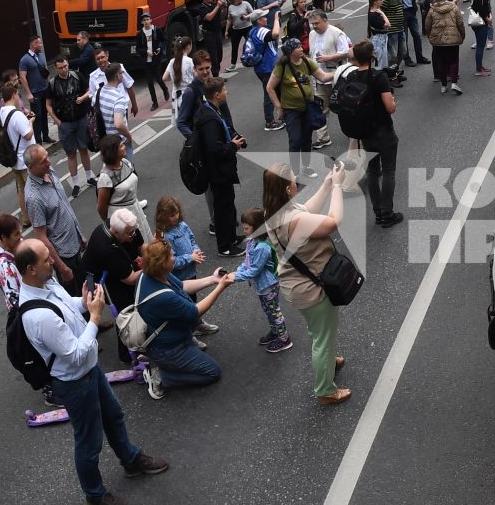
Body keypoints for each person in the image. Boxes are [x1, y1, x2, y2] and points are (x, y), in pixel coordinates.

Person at [15, 239, 167, 505]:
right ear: (30, 269)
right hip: (74, 381)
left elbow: (67, 307)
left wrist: (85, 303)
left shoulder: (46, 284)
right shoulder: (38, 316)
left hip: (90, 370)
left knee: (114, 416)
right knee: (88, 441)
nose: (53, 261)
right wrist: (95, 318)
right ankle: (94, 495)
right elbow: (73, 354)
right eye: (46, 259)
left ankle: (131, 460)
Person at [264, 164, 350, 405]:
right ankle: (325, 390)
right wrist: (338, 186)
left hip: (295, 284)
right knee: (323, 338)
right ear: (287, 190)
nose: (296, 184)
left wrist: (325, 185)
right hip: (312, 288)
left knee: (318, 331)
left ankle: (328, 360)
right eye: (293, 182)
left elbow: (306, 210)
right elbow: (332, 221)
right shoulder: (293, 219)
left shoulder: (274, 212)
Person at [134, 240, 236, 400]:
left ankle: (161, 361)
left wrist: (212, 279)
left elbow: (182, 285)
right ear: (162, 263)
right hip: (169, 349)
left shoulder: (150, 275)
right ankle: (161, 376)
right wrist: (220, 288)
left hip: (170, 337)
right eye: (171, 256)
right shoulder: (164, 297)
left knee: (197, 356)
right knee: (212, 372)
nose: (175, 258)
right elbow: (195, 312)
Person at [336, 41, 401, 228]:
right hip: (383, 130)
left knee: (373, 172)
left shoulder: (352, 76)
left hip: (364, 132)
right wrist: (393, 102)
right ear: (372, 56)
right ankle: (388, 213)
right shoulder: (379, 77)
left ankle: (378, 212)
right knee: (388, 171)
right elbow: (390, 107)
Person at [85, 208, 146, 365]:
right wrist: (151, 266)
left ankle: (140, 336)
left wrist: (149, 256)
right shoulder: (107, 248)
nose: (134, 235)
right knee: (125, 310)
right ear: (117, 233)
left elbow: (141, 245)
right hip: (103, 280)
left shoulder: (126, 225)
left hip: (121, 265)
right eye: (130, 234)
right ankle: (126, 352)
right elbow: (130, 278)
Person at [193, 76, 246, 256]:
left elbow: (224, 131)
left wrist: (236, 140)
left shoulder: (212, 110)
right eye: (224, 90)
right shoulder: (209, 118)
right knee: (222, 207)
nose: (227, 92)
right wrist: (233, 146)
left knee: (228, 203)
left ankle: (232, 237)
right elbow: (213, 148)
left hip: (223, 170)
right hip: (217, 171)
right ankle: (224, 246)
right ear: (217, 95)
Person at [24, 145, 85, 293]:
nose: (49, 162)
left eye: (47, 156)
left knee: (86, 291)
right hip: (64, 255)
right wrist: (62, 268)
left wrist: (80, 234)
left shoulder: (49, 171)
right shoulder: (34, 197)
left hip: (75, 243)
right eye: (43, 161)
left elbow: (65, 206)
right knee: (75, 299)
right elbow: (42, 237)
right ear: (31, 167)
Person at [234, 207, 291, 354]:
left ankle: (284, 339)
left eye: (247, 228)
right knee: (268, 310)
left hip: (268, 286)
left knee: (274, 311)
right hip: (262, 286)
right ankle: (275, 332)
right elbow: (247, 262)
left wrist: (235, 277)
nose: (244, 230)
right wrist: (236, 272)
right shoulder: (252, 241)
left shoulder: (262, 248)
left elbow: (254, 269)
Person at [42, 53, 94, 196]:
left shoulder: (77, 76)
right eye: (61, 68)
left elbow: (89, 90)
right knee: (71, 154)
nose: (64, 69)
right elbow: (48, 104)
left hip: (81, 119)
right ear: (56, 69)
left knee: (84, 149)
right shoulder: (52, 84)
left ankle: (90, 177)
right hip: (65, 123)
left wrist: (82, 98)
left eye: (65, 66)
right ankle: (76, 183)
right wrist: (57, 121)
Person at [268, 36, 324, 161]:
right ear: (290, 51)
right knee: (295, 140)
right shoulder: (282, 66)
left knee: (306, 139)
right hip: (291, 110)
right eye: (297, 47)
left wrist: (341, 71)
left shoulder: (307, 62)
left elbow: (323, 77)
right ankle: (295, 172)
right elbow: (270, 88)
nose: (301, 48)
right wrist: (278, 107)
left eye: (300, 46)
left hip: (307, 108)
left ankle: (306, 167)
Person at [94, 133, 149, 241]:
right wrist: (115, 223)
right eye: (120, 146)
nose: (124, 146)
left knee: (145, 238)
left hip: (136, 208)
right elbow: (101, 208)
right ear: (112, 152)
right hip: (122, 219)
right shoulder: (105, 178)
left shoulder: (125, 162)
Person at [242, 7, 283, 130]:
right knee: (269, 92)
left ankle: (281, 115)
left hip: (264, 67)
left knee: (274, 90)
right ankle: (270, 121)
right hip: (267, 68)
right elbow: (275, 34)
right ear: (259, 21)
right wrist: (276, 19)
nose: (266, 18)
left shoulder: (254, 31)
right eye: (264, 17)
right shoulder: (260, 31)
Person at [0, 79, 35, 216]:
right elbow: (28, 135)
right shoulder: (17, 115)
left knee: (21, 190)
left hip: (14, 159)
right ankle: (38, 218)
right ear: (14, 95)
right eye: (18, 94)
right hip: (25, 160)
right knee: (34, 192)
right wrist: (30, 122)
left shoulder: (2, 112)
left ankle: (26, 218)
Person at [427, 0, 465, 95]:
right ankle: (454, 82)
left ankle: (443, 86)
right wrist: (462, 35)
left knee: (441, 62)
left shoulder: (432, 9)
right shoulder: (454, 8)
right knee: (454, 61)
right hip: (453, 38)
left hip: (438, 40)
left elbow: (427, 25)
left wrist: (431, 36)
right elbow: (460, 23)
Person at [173, 49, 216, 139]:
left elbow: (224, 112)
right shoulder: (191, 91)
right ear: (195, 69)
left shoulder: (215, 85)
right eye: (201, 69)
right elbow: (181, 123)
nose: (205, 72)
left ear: (211, 65)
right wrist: (196, 140)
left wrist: (232, 133)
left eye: (207, 68)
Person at [17, 37, 50, 144]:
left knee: (45, 113)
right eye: (39, 43)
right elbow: (22, 77)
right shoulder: (25, 60)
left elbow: (45, 72)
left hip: (44, 89)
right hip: (35, 92)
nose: (41, 45)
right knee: (37, 116)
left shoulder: (41, 56)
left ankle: (46, 136)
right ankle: (38, 140)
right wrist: (28, 93)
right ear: (33, 44)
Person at [93, 59, 135, 140]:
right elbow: (119, 124)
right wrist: (128, 137)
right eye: (121, 72)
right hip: (119, 142)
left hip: (105, 140)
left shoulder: (97, 93)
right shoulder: (119, 97)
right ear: (117, 76)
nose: (123, 74)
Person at [135, 11, 167, 111]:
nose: (146, 22)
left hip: (156, 59)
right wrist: (146, 51)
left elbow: (164, 40)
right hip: (146, 61)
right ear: (142, 22)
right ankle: (155, 102)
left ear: (151, 20)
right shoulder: (140, 34)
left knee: (158, 78)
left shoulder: (156, 30)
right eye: (144, 20)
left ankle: (165, 90)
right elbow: (138, 48)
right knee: (149, 82)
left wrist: (159, 48)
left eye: (147, 19)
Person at [468, 0, 493, 76]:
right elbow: (480, 10)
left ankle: (480, 66)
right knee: (480, 46)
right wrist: (488, 18)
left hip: (482, 21)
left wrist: (489, 15)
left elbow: (485, 7)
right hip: (479, 23)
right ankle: (478, 70)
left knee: (481, 45)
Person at [196, 0, 227, 68]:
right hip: (209, 34)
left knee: (219, 54)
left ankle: (217, 73)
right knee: (213, 55)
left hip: (218, 32)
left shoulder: (213, 5)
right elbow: (209, 17)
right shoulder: (202, 7)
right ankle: (215, 75)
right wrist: (217, 7)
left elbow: (222, 14)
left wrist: (223, 5)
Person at [163, 33, 194, 108]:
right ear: (188, 46)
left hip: (176, 97)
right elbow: (196, 76)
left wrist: (174, 76)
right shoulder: (190, 61)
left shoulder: (172, 61)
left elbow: (164, 78)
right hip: (189, 95)